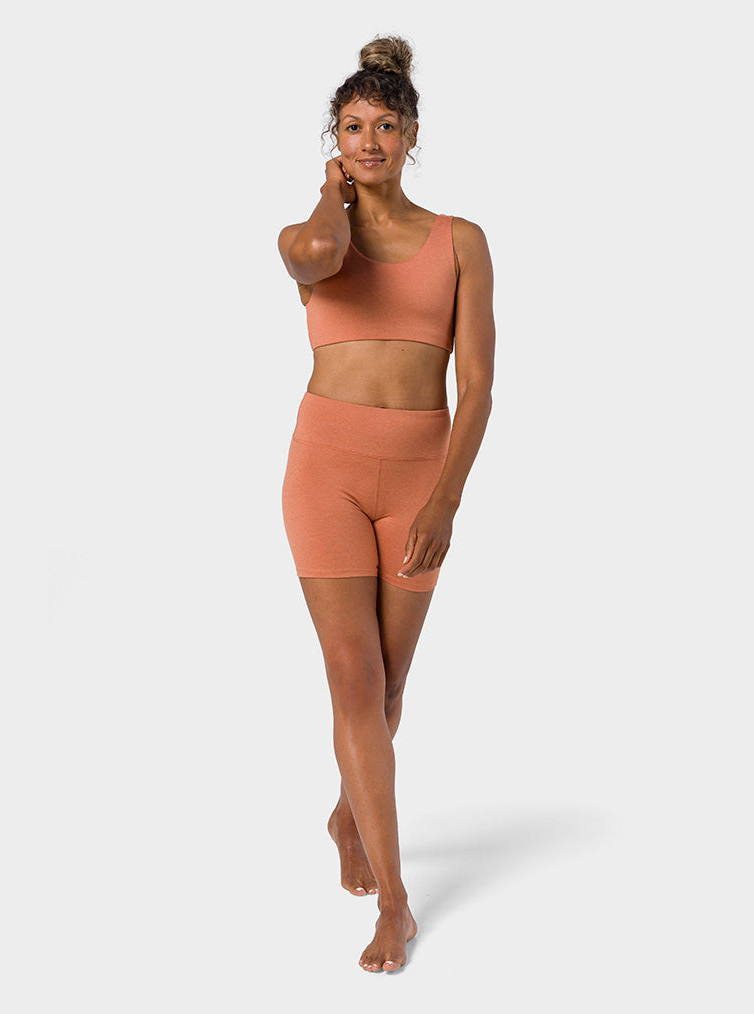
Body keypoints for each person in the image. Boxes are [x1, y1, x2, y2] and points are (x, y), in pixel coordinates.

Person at [277, 35, 495, 973]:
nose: (370, 141)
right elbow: (319, 257)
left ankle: (346, 813)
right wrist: (332, 194)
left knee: (389, 689)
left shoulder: (462, 241)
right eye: (353, 127)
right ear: (335, 139)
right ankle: (396, 904)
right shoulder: (307, 236)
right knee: (352, 680)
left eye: (386, 126)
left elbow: (477, 386)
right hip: (322, 472)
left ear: (411, 134)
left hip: (418, 479)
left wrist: (445, 498)